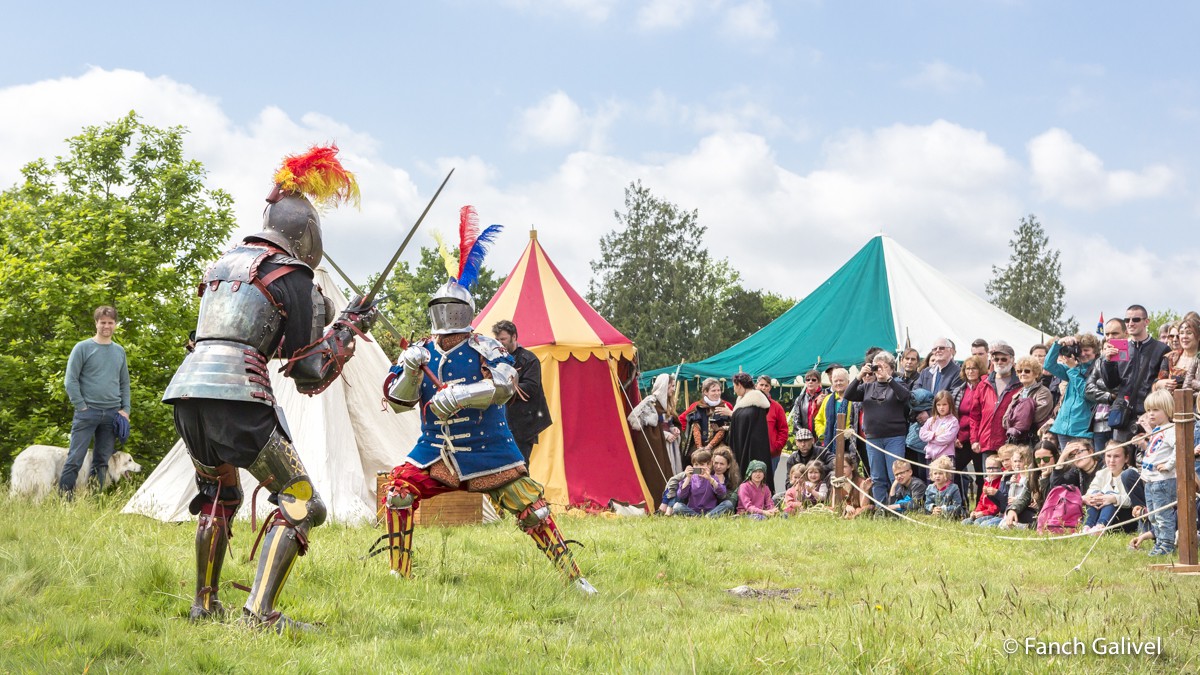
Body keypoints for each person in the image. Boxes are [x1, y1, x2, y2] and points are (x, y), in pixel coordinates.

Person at [163, 147, 378, 630]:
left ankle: (204, 604)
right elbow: (308, 374)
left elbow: (257, 335)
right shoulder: (291, 273)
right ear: (304, 233)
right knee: (303, 501)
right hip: (240, 401)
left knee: (218, 494)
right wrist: (348, 330)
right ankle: (259, 614)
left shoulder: (224, 266)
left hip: (188, 393)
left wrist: (331, 318)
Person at [381, 207, 595, 594]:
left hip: (490, 448)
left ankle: (573, 574)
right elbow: (397, 402)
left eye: (454, 308)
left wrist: (462, 395)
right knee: (397, 493)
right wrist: (411, 371)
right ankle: (399, 572)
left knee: (535, 510)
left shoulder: (485, 345)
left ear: (467, 310)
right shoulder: (419, 350)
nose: (447, 314)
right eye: (441, 308)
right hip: (435, 450)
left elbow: (506, 381)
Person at [60, 305, 131, 495]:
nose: (106, 326)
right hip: (87, 412)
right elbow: (70, 380)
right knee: (75, 457)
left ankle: (94, 499)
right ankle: (65, 499)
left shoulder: (119, 351)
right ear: (96, 323)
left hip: (112, 414)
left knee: (102, 460)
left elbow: (124, 383)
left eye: (110, 322)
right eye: (103, 322)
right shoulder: (82, 348)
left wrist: (125, 409)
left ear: (115, 324)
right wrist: (81, 406)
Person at [844, 351, 912, 505]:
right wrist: (859, 375)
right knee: (877, 476)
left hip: (894, 437)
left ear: (891, 368)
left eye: (884, 366)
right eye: (877, 366)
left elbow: (905, 396)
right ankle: (881, 507)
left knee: (896, 474)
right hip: (873, 438)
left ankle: (897, 507)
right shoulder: (868, 387)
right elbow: (848, 394)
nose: (880, 370)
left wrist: (888, 379)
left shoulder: (898, 384)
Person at [1101, 304, 1171, 443]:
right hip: (1123, 416)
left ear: (1146, 322)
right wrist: (1107, 362)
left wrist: (1151, 410)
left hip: (1150, 415)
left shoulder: (1162, 348)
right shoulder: (1119, 347)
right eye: (1127, 320)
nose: (1130, 323)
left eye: (1136, 319)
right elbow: (1111, 384)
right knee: (1121, 459)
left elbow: (1162, 385)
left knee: (1148, 459)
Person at [492, 320, 551, 464]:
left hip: (524, 423)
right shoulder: (494, 360)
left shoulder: (529, 360)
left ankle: (525, 487)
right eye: (497, 340)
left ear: (514, 337)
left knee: (520, 465)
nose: (500, 343)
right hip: (501, 422)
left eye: (503, 339)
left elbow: (531, 387)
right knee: (502, 467)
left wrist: (505, 388)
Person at [1138, 391, 1178, 556]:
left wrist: (1168, 465)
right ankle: (1159, 542)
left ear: (1167, 410)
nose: (1151, 414)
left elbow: (1179, 448)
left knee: (1163, 515)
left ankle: (1166, 545)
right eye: (1149, 410)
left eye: (1156, 410)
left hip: (1163, 480)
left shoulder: (1171, 429)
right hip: (1151, 480)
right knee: (1153, 515)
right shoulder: (1158, 430)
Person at [1044, 334, 1099, 449]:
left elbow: (1087, 394)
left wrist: (1073, 370)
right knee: (1067, 466)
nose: (1083, 354)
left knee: (1084, 465)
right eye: (1080, 350)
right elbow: (1048, 365)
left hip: (1082, 430)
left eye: (1087, 350)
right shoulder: (1074, 367)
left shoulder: (1099, 369)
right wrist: (1058, 343)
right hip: (1063, 427)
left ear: (1096, 351)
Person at [975, 341, 1022, 458]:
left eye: (1003, 359)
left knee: (1008, 477)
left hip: (1010, 444)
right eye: (996, 359)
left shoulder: (1020, 384)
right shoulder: (983, 384)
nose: (999, 362)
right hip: (986, 443)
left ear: (1012, 360)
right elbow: (974, 416)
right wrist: (974, 439)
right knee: (989, 476)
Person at [953, 356, 988, 500]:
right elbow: (954, 415)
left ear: (980, 370)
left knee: (981, 476)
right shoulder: (960, 390)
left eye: (974, 368)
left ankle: (981, 508)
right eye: (967, 368)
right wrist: (954, 436)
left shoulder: (985, 387)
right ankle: (960, 505)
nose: (970, 371)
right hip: (962, 438)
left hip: (980, 438)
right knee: (954, 471)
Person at [728, 372, 772, 482]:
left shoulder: (754, 405)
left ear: (739, 384)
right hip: (743, 448)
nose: (734, 390)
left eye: (734, 386)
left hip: (751, 451)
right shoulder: (744, 403)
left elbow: (752, 432)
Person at [1081, 443, 1133, 534]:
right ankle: (1087, 526)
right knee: (1096, 493)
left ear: (1126, 458)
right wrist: (1093, 497)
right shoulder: (1101, 473)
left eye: (1117, 456)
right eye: (1108, 456)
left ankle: (1100, 527)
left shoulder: (1131, 474)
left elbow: (1132, 501)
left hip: (1123, 517)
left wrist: (1113, 498)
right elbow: (1089, 493)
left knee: (1110, 494)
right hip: (1100, 512)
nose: (1111, 460)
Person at [678, 378, 733, 463]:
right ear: (705, 392)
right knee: (695, 462)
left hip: (720, 445)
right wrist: (699, 447)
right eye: (713, 391)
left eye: (719, 390)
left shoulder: (726, 405)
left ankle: (719, 476)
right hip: (699, 445)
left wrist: (710, 446)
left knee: (722, 461)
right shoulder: (696, 406)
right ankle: (696, 476)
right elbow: (683, 420)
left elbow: (733, 423)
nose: (717, 393)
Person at [813, 367, 860, 466]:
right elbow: (818, 420)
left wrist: (848, 433)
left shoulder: (855, 399)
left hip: (849, 443)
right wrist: (822, 433)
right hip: (829, 442)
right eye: (836, 381)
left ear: (848, 381)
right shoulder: (827, 399)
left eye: (841, 380)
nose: (838, 383)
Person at [1002, 356, 1054, 445]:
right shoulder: (1017, 394)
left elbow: (1037, 417)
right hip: (1017, 440)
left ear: (1036, 374)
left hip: (1035, 439)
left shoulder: (1043, 392)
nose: (1022, 373)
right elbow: (1005, 421)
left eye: (1027, 371)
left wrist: (1015, 418)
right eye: (1019, 371)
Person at [671, 449, 726, 516]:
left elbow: (722, 494)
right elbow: (681, 495)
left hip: (710, 511)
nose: (699, 467)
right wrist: (688, 478)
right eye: (696, 465)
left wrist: (710, 480)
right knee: (677, 506)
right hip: (693, 511)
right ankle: (699, 517)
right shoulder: (690, 478)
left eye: (702, 464)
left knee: (728, 504)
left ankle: (707, 517)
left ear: (709, 465)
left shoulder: (713, 478)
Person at [995, 447, 1039, 529]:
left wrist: (1016, 500)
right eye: (1015, 461)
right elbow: (1008, 496)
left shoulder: (1029, 477)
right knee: (1001, 524)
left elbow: (1027, 496)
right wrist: (1012, 484)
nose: (1017, 464)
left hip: (1027, 508)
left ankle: (1026, 527)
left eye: (1020, 461)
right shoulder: (1015, 475)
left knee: (1002, 524)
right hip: (1013, 507)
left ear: (1027, 461)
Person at [757, 375, 789, 485]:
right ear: (756, 386)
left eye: (766, 385)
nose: (763, 387)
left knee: (768, 482)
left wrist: (776, 447)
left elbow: (783, 430)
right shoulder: (750, 405)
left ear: (770, 388)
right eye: (761, 385)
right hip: (754, 452)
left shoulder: (777, 407)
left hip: (772, 454)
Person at [1157, 314, 1200, 394]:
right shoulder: (1170, 358)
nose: (1184, 336)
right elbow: (1156, 384)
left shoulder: (1198, 358)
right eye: (1181, 333)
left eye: (1189, 333)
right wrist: (1162, 383)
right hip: (1170, 405)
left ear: (1198, 336)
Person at [963, 456, 1007, 526]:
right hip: (982, 512)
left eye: (994, 468)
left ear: (1000, 468)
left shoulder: (1001, 483)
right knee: (965, 522)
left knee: (978, 523)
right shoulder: (986, 482)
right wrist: (976, 512)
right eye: (988, 468)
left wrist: (984, 513)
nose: (991, 471)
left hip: (993, 514)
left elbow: (997, 506)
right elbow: (981, 501)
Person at [919, 391, 960, 464]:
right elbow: (921, 434)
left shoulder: (953, 421)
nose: (941, 408)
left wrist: (930, 439)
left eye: (944, 404)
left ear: (950, 405)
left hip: (946, 457)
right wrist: (933, 434)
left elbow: (946, 439)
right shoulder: (931, 420)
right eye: (938, 405)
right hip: (931, 457)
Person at [789, 370, 826, 435]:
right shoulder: (800, 399)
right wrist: (805, 435)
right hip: (805, 438)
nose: (810, 382)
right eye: (808, 380)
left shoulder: (825, 396)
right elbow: (796, 421)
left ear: (819, 382)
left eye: (813, 380)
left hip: (821, 436)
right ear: (805, 382)